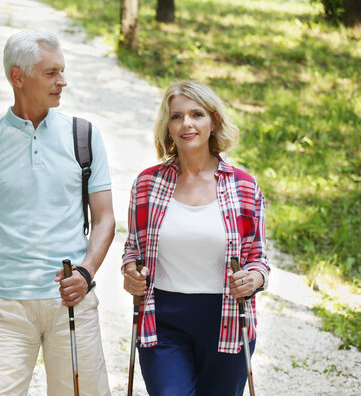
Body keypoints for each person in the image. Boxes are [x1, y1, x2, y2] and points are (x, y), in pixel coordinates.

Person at [0, 30, 115, 396]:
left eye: (62, 71)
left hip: (72, 298)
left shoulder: (84, 136)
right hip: (4, 305)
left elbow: (104, 219)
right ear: (18, 77)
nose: (62, 81)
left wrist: (86, 272)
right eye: (51, 72)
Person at [122, 80, 270, 396]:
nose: (186, 123)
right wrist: (131, 273)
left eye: (196, 114)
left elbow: (258, 257)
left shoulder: (244, 187)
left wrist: (254, 278)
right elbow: (133, 249)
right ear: (168, 127)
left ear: (213, 121)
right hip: (163, 317)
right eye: (176, 116)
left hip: (226, 316)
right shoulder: (147, 184)